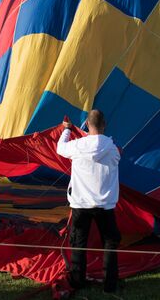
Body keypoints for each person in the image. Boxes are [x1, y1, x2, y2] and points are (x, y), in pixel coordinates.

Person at [56, 110, 121, 293]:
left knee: (79, 242)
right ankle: (110, 284)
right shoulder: (111, 147)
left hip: (80, 204)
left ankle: (77, 281)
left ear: (86, 124)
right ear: (104, 125)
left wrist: (67, 130)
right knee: (110, 242)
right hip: (105, 205)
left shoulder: (77, 145)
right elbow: (116, 159)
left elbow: (60, 148)